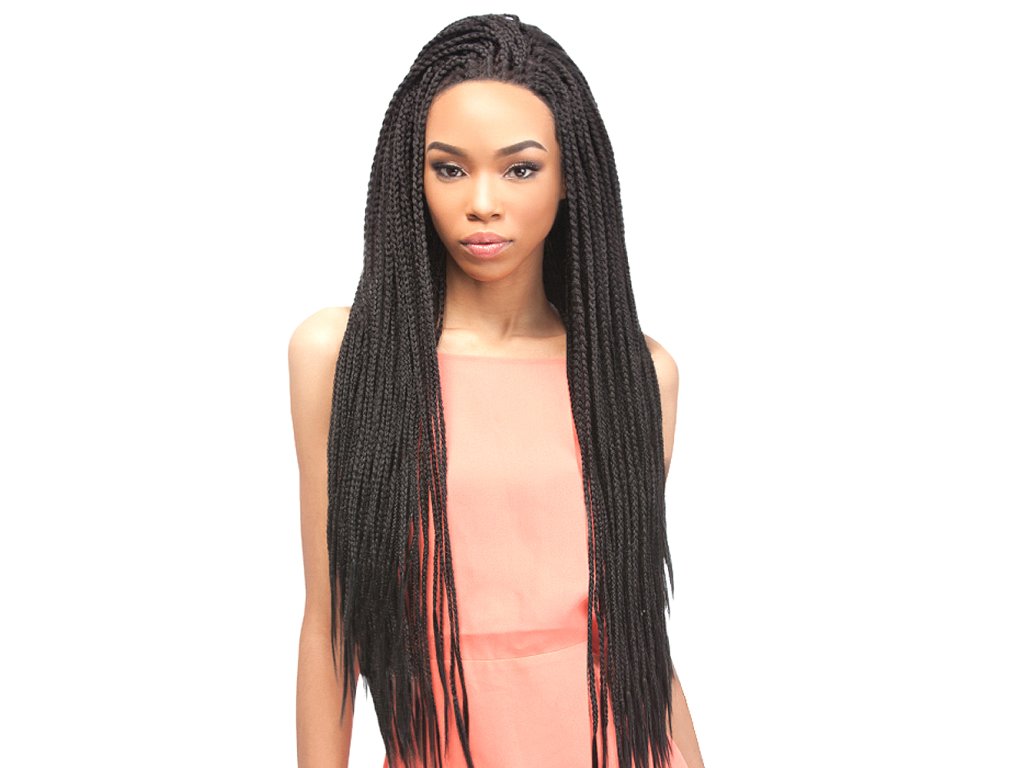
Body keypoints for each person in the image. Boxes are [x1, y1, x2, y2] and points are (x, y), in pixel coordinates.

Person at [289, 13, 705, 768]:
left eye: (519, 169)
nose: (482, 201)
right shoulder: (343, 357)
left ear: (570, 177)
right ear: (412, 178)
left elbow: (637, 640)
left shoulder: (635, 375)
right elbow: (329, 629)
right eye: (450, 169)